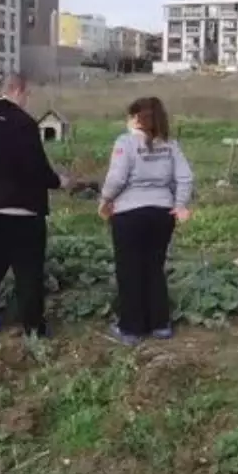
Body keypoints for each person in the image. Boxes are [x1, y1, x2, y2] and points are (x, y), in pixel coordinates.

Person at [0, 74, 68, 338]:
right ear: (17, 90)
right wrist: (58, 181)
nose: (27, 99)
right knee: (28, 269)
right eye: (26, 94)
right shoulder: (23, 123)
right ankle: (33, 327)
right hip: (21, 209)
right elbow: (36, 168)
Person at [97, 97, 194, 345]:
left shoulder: (126, 142)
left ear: (136, 118)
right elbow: (185, 177)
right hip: (162, 214)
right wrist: (179, 204)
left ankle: (131, 328)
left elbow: (117, 178)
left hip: (129, 214)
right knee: (154, 267)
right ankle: (160, 324)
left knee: (129, 269)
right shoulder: (171, 145)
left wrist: (105, 199)